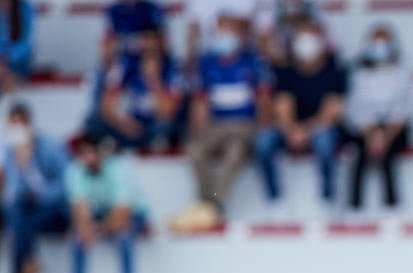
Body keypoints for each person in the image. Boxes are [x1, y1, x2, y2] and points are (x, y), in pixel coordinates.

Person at [176, 13, 271, 229]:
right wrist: (197, 133)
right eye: (219, 32)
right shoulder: (207, 63)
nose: (223, 37)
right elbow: (201, 103)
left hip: (244, 126)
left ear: (240, 35)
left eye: (228, 31)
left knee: (235, 153)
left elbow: (263, 99)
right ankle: (205, 202)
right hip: (216, 125)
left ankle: (215, 204)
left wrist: (263, 130)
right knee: (195, 150)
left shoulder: (253, 61)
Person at [255, 18, 345, 211]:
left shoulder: (334, 72)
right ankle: (275, 202)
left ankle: (327, 200)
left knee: (325, 141)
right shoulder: (285, 72)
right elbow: (282, 106)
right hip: (291, 129)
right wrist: (292, 130)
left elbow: (331, 111)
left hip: (319, 128)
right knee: (263, 142)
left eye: (310, 38)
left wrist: (306, 131)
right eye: (301, 38)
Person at [65, 132, 150, 273]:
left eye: (92, 153)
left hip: (134, 214)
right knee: (79, 236)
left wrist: (98, 229)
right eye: (85, 154)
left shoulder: (117, 169)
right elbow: (79, 209)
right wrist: (86, 227)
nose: (89, 158)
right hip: (101, 215)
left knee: (123, 234)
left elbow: (122, 211)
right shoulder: (75, 171)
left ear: (100, 154)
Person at [341, 23, 413, 213]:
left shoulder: (403, 71)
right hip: (366, 127)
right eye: (375, 42)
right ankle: (354, 207)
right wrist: (372, 133)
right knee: (361, 153)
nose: (379, 47)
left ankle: (392, 206)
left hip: (394, 127)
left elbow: (404, 107)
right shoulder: (357, 71)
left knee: (388, 154)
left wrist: (385, 135)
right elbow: (355, 107)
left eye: (384, 42)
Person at [2, 102, 69, 273]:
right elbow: (12, 192)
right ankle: (30, 262)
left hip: (53, 208)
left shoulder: (51, 146)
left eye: (20, 124)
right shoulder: (9, 151)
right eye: (12, 125)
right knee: (18, 216)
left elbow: (63, 185)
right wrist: (20, 163)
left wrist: (37, 186)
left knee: (20, 221)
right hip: (25, 209)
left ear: (29, 124)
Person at [90, 27, 186, 152]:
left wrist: (153, 80)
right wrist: (124, 124)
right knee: (94, 121)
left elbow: (167, 112)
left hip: (153, 124)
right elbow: (107, 106)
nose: (149, 45)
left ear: (162, 43)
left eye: (153, 40)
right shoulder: (125, 65)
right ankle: (119, 142)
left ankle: (150, 144)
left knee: (166, 126)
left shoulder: (173, 70)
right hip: (128, 122)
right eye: (146, 40)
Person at [0, 0, 35, 93]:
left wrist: (6, 60)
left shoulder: (24, 8)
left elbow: (25, 43)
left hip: (17, 64)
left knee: (8, 80)